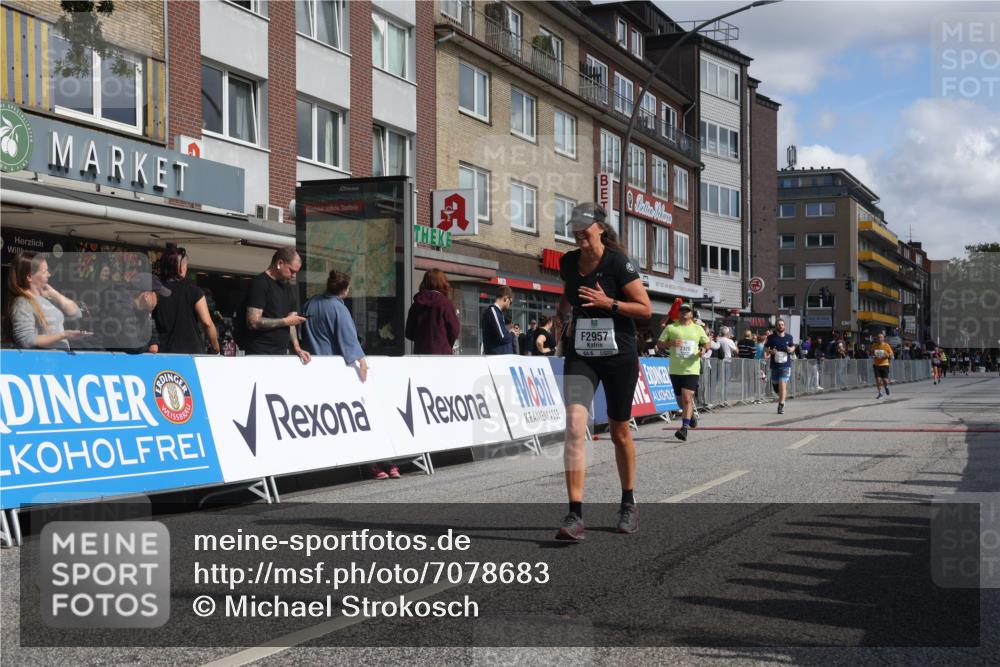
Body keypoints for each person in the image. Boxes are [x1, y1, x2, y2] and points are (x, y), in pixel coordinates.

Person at [554, 203, 651, 540]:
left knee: (619, 429)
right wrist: (560, 316)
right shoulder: (568, 262)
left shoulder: (618, 262)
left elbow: (644, 308)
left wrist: (608, 303)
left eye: (583, 225)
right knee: (574, 424)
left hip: (618, 354)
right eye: (573, 226)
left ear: (599, 227)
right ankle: (574, 514)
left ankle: (628, 503)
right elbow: (568, 295)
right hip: (582, 353)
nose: (577, 231)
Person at [4, 251, 89, 350]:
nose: (49, 274)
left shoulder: (47, 297)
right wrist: (63, 335)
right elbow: (26, 340)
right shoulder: (22, 303)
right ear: (29, 277)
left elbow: (76, 313)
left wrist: (54, 294)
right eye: (44, 272)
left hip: (60, 360)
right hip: (43, 362)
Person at [244, 247, 310, 364]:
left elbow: (292, 323)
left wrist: (297, 348)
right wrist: (286, 321)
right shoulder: (260, 283)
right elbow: (253, 322)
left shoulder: (288, 288)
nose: (294, 276)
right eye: (291, 271)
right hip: (260, 355)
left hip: (281, 354)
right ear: (279, 263)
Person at [657, 302, 710, 441]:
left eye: (687, 310)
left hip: (692, 368)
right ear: (679, 313)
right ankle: (690, 416)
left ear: (691, 314)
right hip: (675, 369)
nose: (684, 312)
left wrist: (703, 350)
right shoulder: (671, 328)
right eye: (682, 310)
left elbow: (707, 343)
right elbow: (659, 343)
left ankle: (684, 428)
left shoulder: (698, 329)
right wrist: (671, 343)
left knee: (687, 398)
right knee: (680, 400)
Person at [153, 244, 220, 354]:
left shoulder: (155, 291)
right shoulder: (194, 290)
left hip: (164, 352)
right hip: (191, 353)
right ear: (182, 268)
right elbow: (207, 323)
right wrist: (216, 347)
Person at [102, 272, 168, 353]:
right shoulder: (121, 309)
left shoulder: (143, 310)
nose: (158, 300)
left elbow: (150, 330)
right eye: (157, 296)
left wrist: (154, 342)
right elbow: (132, 346)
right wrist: (148, 348)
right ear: (146, 296)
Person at [404, 268, 460, 355]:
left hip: (421, 355)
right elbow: (454, 330)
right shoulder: (446, 304)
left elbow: (409, 333)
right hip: (442, 354)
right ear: (443, 283)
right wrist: (445, 343)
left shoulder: (416, 304)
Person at [765, 318, 796, 414]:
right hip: (774, 366)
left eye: (782, 324)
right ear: (776, 326)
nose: (780, 326)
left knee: (782, 385)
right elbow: (766, 349)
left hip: (785, 365)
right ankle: (782, 398)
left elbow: (793, 346)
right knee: (775, 387)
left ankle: (781, 405)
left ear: (784, 326)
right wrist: (771, 351)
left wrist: (791, 349)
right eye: (778, 325)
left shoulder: (789, 337)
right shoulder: (771, 337)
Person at [481, 285, 515, 354]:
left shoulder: (497, 312)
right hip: (497, 358)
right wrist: (512, 334)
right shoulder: (493, 311)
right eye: (510, 302)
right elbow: (502, 336)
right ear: (505, 299)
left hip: (499, 356)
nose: (509, 305)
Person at [870, 331, 894, 398]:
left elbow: (891, 353)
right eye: (878, 337)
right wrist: (872, 355)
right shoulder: (874, 345)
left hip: (885, 364)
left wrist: (888, 355)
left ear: (883, 338)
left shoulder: (886, 345)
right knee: (878, 379)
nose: (879, 338)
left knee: (885, 380)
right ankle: (880, 393)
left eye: (881, 337)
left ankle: (886, 387)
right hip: (876, 365)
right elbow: (872, 353)